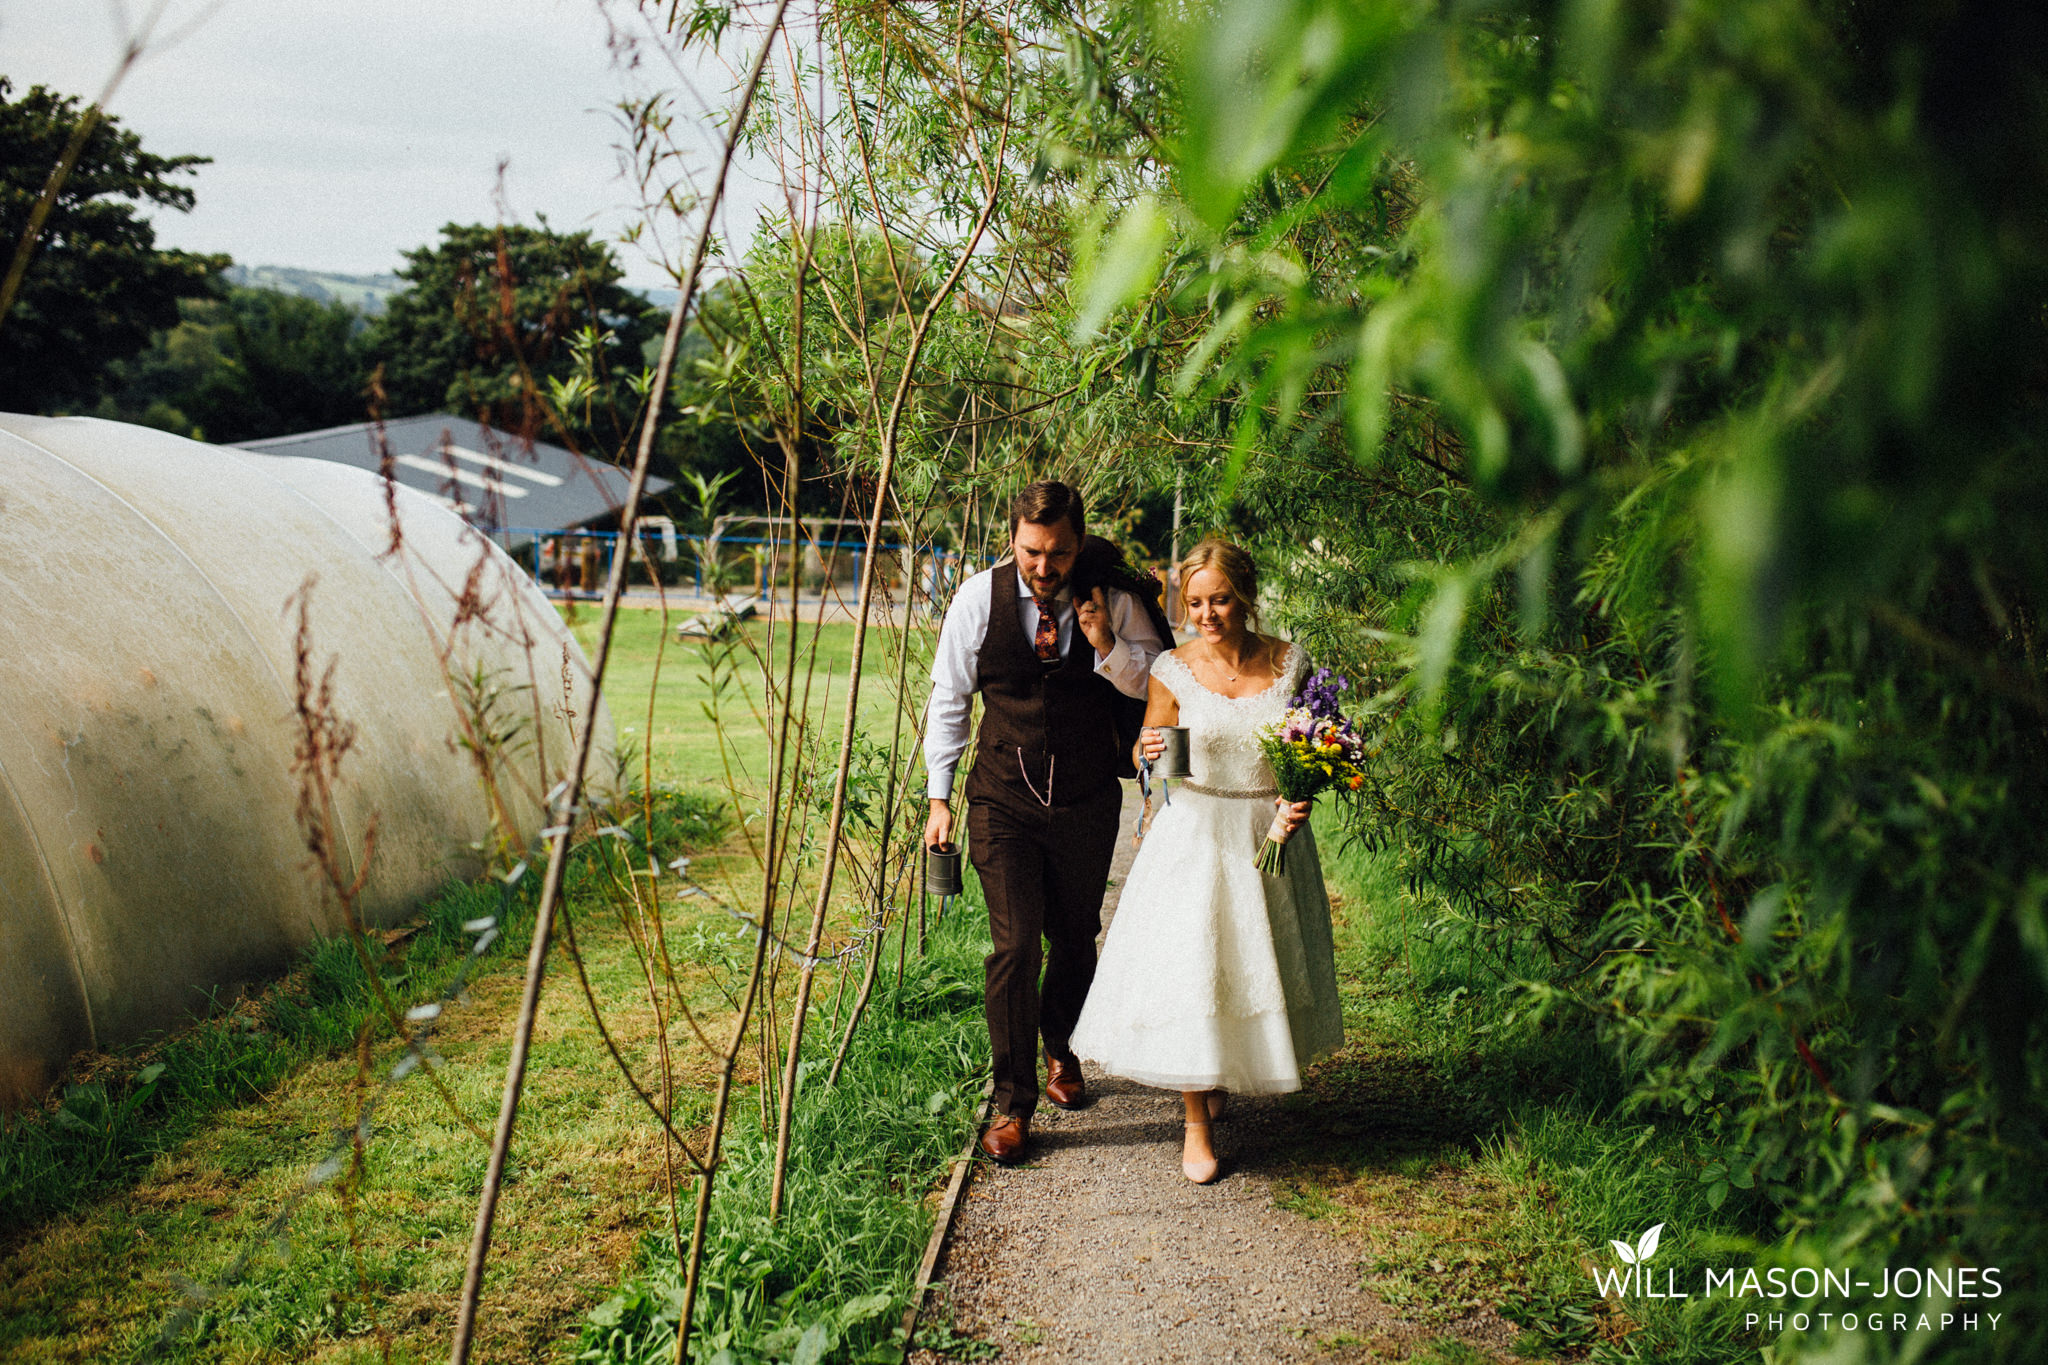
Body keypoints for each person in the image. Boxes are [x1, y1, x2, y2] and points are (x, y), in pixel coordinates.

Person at [1069, 538, 1345, 1183]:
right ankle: (1195, 1121)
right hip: (1194, 830)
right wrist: (1150, 751)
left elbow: (1312, 741)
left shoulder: (1289, 661)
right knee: (1195, 966)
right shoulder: (1172, 666)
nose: (1206, 614)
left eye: (1219, 600)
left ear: (1244, 595)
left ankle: (1225, 1066)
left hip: (1267, 830)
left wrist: (1299, 795)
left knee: (1248, 962)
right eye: (1195, 602)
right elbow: (1155, 755)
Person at [923, 480, 1168, 1165]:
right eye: (1032, 551)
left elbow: (1160, 680)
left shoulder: (1114, 596)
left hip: (1088, 795)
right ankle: (1011, 1103)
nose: (1044, 565)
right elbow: (949, 699)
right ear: (1014, 541)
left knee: (1074, 934)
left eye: (1058, 551)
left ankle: (1062, 1045)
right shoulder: (978, 598)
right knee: (1014, 946)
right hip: (1002, 797)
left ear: (1078, 542)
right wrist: (938, 798)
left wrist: (1104, 643)